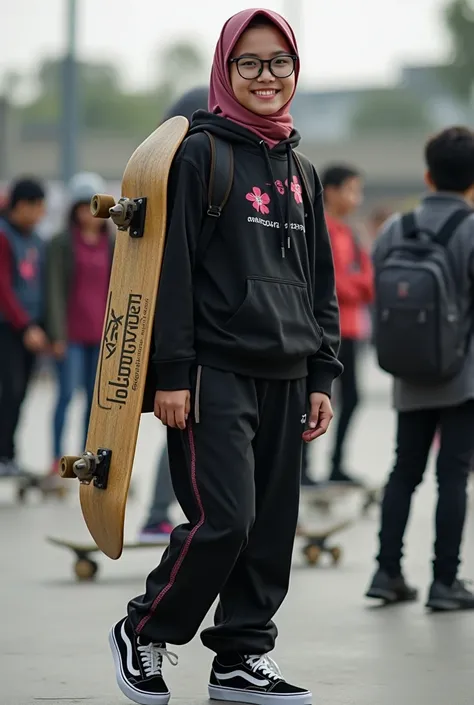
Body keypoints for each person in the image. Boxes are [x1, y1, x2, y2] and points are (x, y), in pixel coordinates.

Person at [108, 9, 342, 705]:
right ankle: (143, 627)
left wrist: (324, 372)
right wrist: (170, 374)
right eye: (250, 63)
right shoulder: (199, 155)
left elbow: (318, 282)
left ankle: (241, 656)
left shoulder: (302, 169)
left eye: (279, 63)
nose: (266, 77)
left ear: (295, 71)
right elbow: (170, 270)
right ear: (225, 70)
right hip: (215, 372)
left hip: (289, 371)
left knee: (270, 531)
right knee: (225, 519)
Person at [366, 126, 474, 610]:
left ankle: (387, 572)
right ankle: (444, 582)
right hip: (463, 375)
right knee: (452, 475)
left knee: (403, 470)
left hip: (408, 372)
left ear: (428, 175)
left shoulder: (396, 228)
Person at [138, 87, 209, 544]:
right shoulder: (177, 184)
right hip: (192, 339)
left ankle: (161, 511)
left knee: (189, 435)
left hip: (195, 336)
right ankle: (158, 512)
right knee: (187, 431)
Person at [45, 173, 114, 475]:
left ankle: (88, 456)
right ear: (74, 210)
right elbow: (54, 291)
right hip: (70, 334)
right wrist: (56, 335)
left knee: (94, 399)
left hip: (101, 335)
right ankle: (55, 456)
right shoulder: (61, 243)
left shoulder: (112, 243)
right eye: (84, 207)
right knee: (65, 395)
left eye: (94, 207)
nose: (90, 214)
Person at [321, 164, 373, 485]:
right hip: (327, 330)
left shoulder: (351, 231)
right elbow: (333, 282)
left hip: (352, 330)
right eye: (351, 189)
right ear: (331, 190)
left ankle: (337, 464)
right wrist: (355, 285)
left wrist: (354, 285)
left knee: (352, 397)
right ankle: (302, 469)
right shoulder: (322, 229)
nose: (356, 198)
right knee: (315, 397)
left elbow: (369, 282)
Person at [0, 177, 48, 475]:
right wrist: (25, 325)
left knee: (21, 393)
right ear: (21, 206)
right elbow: (3, 288)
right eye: (37, 206)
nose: (41, 213)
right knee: (11, 389)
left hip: (32, 329)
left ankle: (8, 454)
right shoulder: (4, 236)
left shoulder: (36, 239)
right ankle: (5, 454)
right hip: (9, 328)